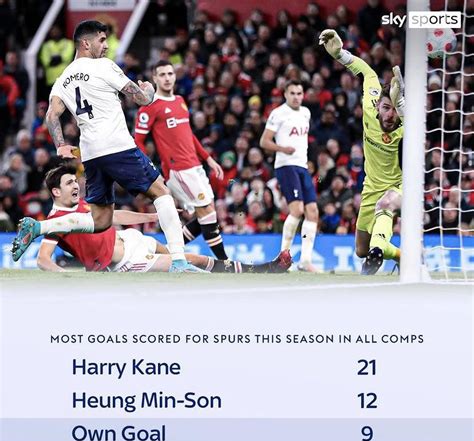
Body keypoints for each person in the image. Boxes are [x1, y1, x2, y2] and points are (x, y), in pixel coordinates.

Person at [11, 20, 201, 273]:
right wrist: (149, 90)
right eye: (101, 40)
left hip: (91, 155)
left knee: (100, 220)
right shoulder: (104, 66)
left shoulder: (62, 79)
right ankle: (178, 261)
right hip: (117, 145)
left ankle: (39, 227)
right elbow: (141, 99)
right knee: (161, 192)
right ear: (85, 43)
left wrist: (60, 144)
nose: (106, 46)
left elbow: (51, 115)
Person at [37, 165, 291, 274]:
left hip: (131, 239)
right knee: (189, 267)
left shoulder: (81, 205)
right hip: (126, 261)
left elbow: (112, 217)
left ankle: (260, 268)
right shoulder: (55, 221)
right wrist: (67, 275)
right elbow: (42, 259)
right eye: (69, 183)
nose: (76, 186)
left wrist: (152, 215)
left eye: (75, 181)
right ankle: (260, 270)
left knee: (190, 258)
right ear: (56, 192)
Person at [319, 29, 404, 275]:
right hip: (371, 187)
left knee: (387, 203)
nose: (390, 115)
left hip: (401, 187)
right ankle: (401, 256)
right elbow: (368, 73)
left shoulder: (407, 125)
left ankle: (377, 253)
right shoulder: (370, 105)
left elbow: (420, 127)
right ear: (377, 105)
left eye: (395, 110)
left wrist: (403, 109)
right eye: (386, 108)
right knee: (360, 249)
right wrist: (340, 54)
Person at [134, 60, 229, 260]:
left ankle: (168, 253)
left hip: (195, 166)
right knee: (207, 212)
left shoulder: (180, 100)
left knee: (206, 215)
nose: (167, 78)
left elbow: (188, 134)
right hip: (178, 169)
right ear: (155, 78)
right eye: (162, 74)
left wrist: (208, 159)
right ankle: (225, 262)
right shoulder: (150, 107)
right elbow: (138, 141)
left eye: (170, 73)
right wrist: (150, 171)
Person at [260, 79, 319, 272]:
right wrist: (282, 149)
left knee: (313, 212)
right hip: (286, 165)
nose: (296, 97)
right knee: (297, 210)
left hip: (302, 166)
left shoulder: (306, 113)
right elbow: (264, 141)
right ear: (285, 94)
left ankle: (306, 261)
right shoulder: (278, 113)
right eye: (292, 93)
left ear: (303, 95)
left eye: (299, 93)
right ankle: (282, 258)